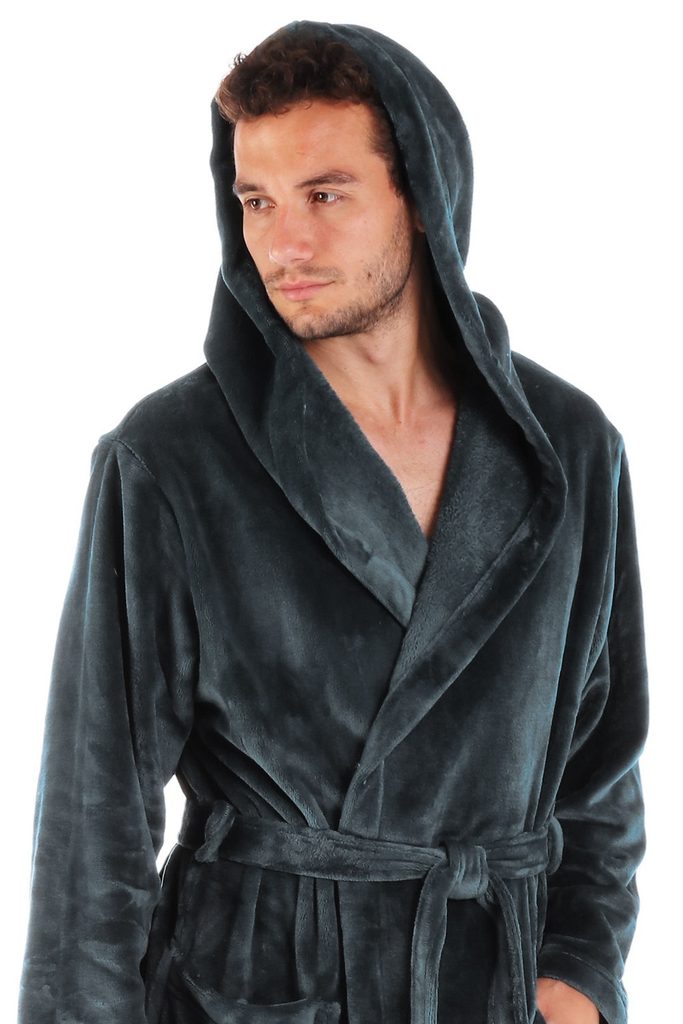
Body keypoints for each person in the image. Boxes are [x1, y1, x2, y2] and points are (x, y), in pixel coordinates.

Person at [18, 20, 648, 1024]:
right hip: (253, 992)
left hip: (488, 988)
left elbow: (600, 764)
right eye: (256, 201)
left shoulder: (569, 446)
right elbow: (91, 830)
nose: (284, 244)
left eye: (324, 194)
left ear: (423, 197)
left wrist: (577, 973)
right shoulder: (169, 457)